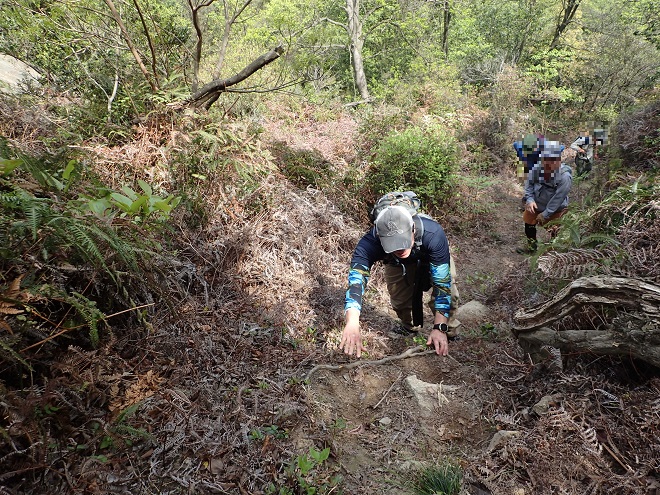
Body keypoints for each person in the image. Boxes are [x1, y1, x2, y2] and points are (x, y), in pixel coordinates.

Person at [339, 204, 456, 358]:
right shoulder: (368, 244)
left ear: (413, 228)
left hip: (430, 254)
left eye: (403, 240)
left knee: (451, 296)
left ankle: (448, 330)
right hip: (396, 263)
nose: (400, 248)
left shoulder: (433, 233)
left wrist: (439, 327)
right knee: (400, 301)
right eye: (393, 243)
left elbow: (442, 285)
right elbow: (356, 283)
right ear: (380, 237)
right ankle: (409, 326)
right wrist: (352, 322)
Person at [517, 141, 572, 254]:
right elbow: (529, 184)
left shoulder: (564, 176)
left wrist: (546, 213)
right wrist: (530, 199)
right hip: (536, 204)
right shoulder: (537, 168)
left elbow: (559, 198)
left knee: (555, 231)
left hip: (556, 209)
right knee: (529, 224)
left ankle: (552, 255)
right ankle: (532, 248)